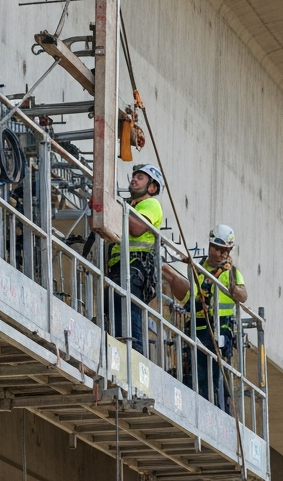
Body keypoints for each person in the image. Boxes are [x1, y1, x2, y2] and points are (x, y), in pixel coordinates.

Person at [165, 223, 248, 414]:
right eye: (218, 249)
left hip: (218, 331)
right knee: (195, 370)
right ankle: (199, 405)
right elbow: (190, 296)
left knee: (212, 374)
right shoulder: (199, 268)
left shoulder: (230, 272)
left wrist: (234, 289)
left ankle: (213, 409)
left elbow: (243, 295)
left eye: (226, 251)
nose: (221, 254)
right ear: (210, 246)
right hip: (197, 327)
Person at [109, 163, 171, 353]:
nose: (134, 179)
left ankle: (134, 355)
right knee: (116, 312)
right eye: (134, 176)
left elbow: (136, 229)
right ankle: (123, 353)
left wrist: (114, 207)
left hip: (135, 269)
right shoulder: (129, 206)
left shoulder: (151, 204)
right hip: (121, 268)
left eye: (140, 177)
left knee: (129, 315)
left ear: (152, 187)